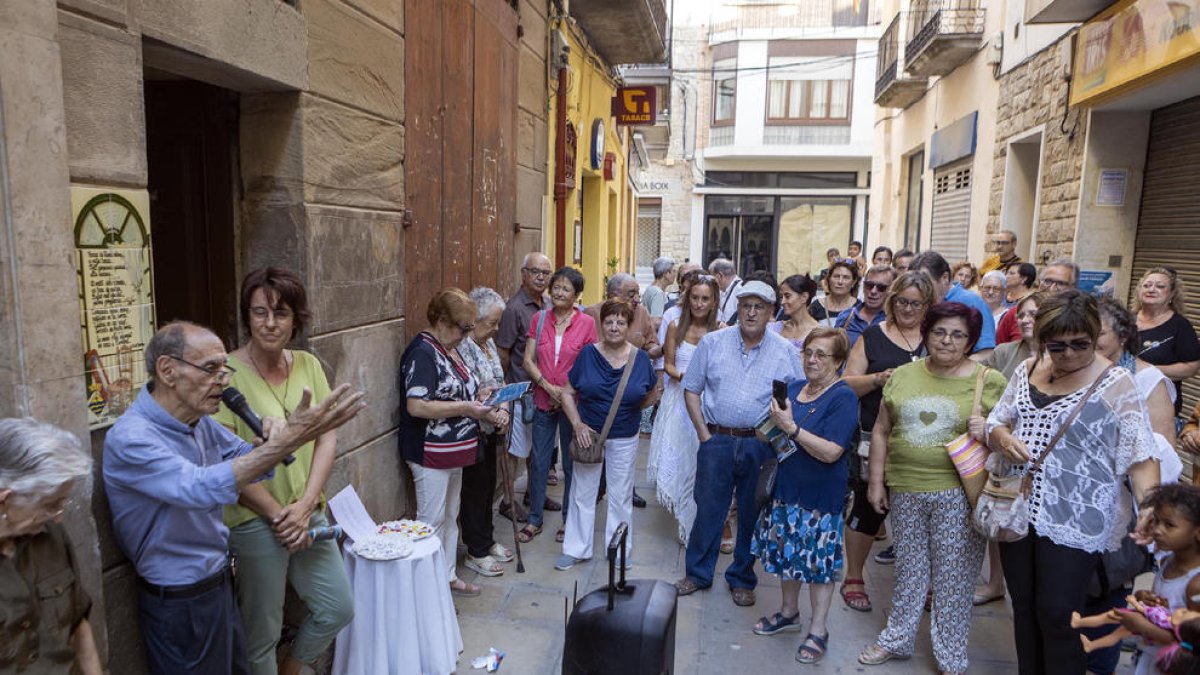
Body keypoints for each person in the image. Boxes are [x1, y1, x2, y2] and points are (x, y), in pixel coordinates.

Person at [105, 321, 364, 673]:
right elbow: (199, 487)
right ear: (167, 370)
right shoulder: (133, 437)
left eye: (223, 369)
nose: (223, 380)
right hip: (179, 598)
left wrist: (276, 439)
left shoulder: (199, 422)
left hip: (216, 583)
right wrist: (283, 444)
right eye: (210, 369)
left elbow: (251, 463)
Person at [987, 290, 1161, 674]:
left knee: (1059, 615)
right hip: (1018, 507)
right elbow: (996, 420)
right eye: (1056, 345)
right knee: (1025, 609)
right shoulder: (1028, 369)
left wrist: (1151, 512)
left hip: (1076, 515)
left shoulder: (1117, 383)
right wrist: (1003, 438)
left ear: (1095, 333)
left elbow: (1141, 457)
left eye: (1079, 344)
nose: (1066, 354)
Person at [214, 268, 353, 675]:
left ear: (297, 319)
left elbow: (326, 437)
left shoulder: (308, 364)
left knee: (338, 607)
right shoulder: (224, 373)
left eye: (281, 313)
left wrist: (306, 504)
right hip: (255, 519)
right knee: (262, 632)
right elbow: (226, 462)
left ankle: (291, 668)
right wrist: (278, 515)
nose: (270, 323)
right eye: (259, 313)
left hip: (307, 511)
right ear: (246, 316)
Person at [857, 303, 1008, 674]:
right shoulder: (903, 375)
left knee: (954, 578)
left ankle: (951, 655)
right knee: (909, 570)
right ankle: (897, 639)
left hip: (960, 494)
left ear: (971, 341)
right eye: (939, 332)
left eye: (958, 334)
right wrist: (877, 481)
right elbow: (881, 429)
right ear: (926, 334)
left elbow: (1010, 438)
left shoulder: (989, 381)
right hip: (906, 488)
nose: (947, 340)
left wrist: (987, 429)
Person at [673, 280, 804, 606]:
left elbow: (796, 400)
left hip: (759, 445)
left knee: (752, 513)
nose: (751, 312)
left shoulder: (785, 351)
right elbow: (691, 389)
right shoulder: (712, 343)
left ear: (771, 312)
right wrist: (704, 435)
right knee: (708, 510)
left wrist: (775, 436)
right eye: (746, 304)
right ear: (737, 307)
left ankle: (742, 578)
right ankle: (697, 574)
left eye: (759, 306)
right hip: (716, 439)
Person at [750, 328, 859, 665]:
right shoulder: (795, 388)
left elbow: (831, 452)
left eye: (822, 355)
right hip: (786, 489)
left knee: (818, 566)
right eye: (808, 352)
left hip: (820, 495)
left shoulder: (843, 397)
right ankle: (787, 613)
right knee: (786, 555)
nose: (812, 360)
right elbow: (772, 434)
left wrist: (791, 428)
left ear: (839, 361)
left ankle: (819, 629)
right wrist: (768, 424)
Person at [400, 288, 508, 597]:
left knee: (450, 517)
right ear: (442, 321)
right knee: (430, 521)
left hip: (454, 451)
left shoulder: (450, 347)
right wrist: (465, 408)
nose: (467, 333)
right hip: (430, 452)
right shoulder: (423, 351)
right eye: (464, 327)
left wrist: (480, 397)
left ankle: (447, 578)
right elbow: (416, 406)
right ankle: (424, 590)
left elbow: (459, 389)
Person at [840, 270, 934, 611]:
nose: (908, 309)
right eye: (902, 302)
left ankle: (921, 582)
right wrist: (879, 379)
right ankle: (853, 576)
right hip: (872, 435)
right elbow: (848, 383)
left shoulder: (935, 337)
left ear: (928, 305)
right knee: (867, 508)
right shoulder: (873, 336)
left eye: (916, 303)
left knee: (921, 514)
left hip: (924, 441)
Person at [556, 300, 659, 570]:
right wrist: (577, 424)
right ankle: (577, 548)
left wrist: (630, 408)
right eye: (609, 322)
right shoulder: (588, 355)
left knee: (621, 495)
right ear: (602, 325)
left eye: (621, 322)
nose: (614, 327)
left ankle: (619, 551)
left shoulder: (640, 358)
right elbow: (566, 393)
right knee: (583, 492)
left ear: (629, 326)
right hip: (588, 435)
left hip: (624, 435)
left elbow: (652, 393)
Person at [1, 418, 102, 674]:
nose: (58, 516)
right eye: (49, 504)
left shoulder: (50, 534)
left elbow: (79, 625)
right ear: (6, 499)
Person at [520, 268, 596, 544]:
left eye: (566, 289)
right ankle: (534, 520)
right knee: (539, 461)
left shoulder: (587, 323)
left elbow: (589, 364)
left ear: (577, 295)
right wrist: (548, 386)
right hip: (543, 398)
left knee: (570, 463)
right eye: (556, 288)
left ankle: (568, 520)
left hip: (573, 404)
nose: (559, 293)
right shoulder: (539, 319)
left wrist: (565, 392)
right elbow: (528, 360)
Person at [649, 274, 722, 544]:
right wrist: (684, 377)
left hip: (707, 403)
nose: (700, 303)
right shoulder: (676, 326)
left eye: (705, 298)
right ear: (687, 298)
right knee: (681, 459)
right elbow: (667, 365)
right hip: (678, 400)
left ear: (714, 301)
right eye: (695, 298)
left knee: (701, 461)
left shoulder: (721, 330)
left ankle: (699, 519)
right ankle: (682, 514)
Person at [457, 287, 517, 577]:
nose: (495, 329)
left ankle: (488, 538)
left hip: (491, 428)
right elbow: (469, 392)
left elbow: (498, 381)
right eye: (491, 323)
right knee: (474, 490)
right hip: (472, 430)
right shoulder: (462, 346)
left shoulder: (488, 345)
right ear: (474, 319)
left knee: (489, 485)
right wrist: (494, 414)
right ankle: (475, 550)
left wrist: (503, 410)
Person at [585, 272, 660, 505]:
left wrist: (667, 347)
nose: (637, 299)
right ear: (612, 295)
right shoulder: (592, 313)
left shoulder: (642, 313)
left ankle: (626, 488)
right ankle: (597, 488)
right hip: (599, 393)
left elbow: (651, 345)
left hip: (629, 393)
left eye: (638, 293)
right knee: (599, 444)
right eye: (631, 294)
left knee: (626, 447)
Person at [1096, 296, 1181, 482]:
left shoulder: (1149, 379)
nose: (1091, 340)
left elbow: (1163, 448)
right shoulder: (1080, 371)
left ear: (1123, 336)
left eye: (1100, 334)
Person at [495, 252, 553, 520]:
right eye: (536, 271)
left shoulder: (550, 304)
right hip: (520, 389)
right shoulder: (514, 308)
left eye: (546, 272)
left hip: (544, 390)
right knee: (513, 450)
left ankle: (533, 491)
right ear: (523, 274)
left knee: (537, 448)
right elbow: (503, 353)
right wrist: (505, 393)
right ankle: (508, 500)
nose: (541, 277)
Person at [1119, 484, 1200, 675]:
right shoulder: (1167, 561)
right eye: (1156, 521)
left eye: (1169, 525)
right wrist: (1143, 598)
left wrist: (1141, 626)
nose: (1157, 530)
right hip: (1149, 658)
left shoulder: (1195, 584)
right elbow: (1162, 607)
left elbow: (1192, 641)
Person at [1134, 267, 1200, 416]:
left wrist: (1145, 371)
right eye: (1147, 285)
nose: (1152, 289)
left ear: (1171, 294)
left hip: (1158, 407)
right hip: (1122, 402)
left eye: (1160, 286)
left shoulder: (1180, 326)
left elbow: (1191, 367)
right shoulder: (1125, 320)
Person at [910, 250, 996, 354]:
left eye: (925, 282)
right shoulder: (919, 302)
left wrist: (952, 369)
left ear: (945, 278)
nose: (919, 287)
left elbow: (986, 352)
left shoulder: (972, 302)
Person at [997, 260, 1073, 344]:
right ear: (1040, 283)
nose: (1052, 287)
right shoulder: (1017, 312)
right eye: (1047, 281)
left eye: (1061, 283)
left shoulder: (1072, 316)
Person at [835, 265, 896, 345]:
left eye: (881, 288)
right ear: (863, 287)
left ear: (891, 290)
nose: (873, 291)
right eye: (869, 286)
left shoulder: (895, 320)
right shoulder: (845, 317)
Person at [769, 274, 819, 350]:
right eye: (781, 297)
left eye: (787, 296)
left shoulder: (818, 332)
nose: (782, 302)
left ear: (804, 297)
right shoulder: (776, 328)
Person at [810, 259, 859, 328]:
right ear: (829, 280)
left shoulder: (859, 307)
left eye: (846, 277)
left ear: (853, 282)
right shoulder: (816, 306)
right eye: (836, 276)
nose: (840, 282)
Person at [642, 257, 676, 328]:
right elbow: (656, 322)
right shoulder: (658, 293)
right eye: (674, 271)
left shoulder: (650, 288)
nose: (675, 274)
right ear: (666, 273)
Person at [711, 258, 743, 325]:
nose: (713, 282)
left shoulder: (740, 290)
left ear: (720, 275)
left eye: (713, 278)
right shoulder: (724, 290)